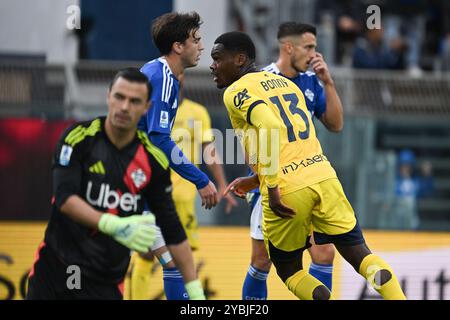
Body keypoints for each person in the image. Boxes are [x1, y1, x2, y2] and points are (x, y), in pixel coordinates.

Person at [211, 31, 406, 300]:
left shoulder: (235, 91)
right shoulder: (287, 85)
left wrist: (272, 189)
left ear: (240, 59)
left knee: (289, 271)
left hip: (286, 187)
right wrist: (255, 180)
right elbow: (295, 144)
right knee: (360, 255)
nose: (212, 65)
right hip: (323, 176)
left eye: (217, 59)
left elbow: (270, 126)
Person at [26, 68, 204, 300]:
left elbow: (171, 228)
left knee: (168, 260)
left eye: (134, 101)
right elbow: (64, 198)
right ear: (108, 96)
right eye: (119, 97)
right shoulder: (78, 138)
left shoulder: (153, 160)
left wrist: (195, 290)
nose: (124, 107)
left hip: (105, 282)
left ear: (147, 107)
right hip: (56, 273)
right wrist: (113, 224)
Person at [241, 22, 344, 300]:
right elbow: (246, 135)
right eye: (308, 47)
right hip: (273, 183)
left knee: (324, 252)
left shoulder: (311, 81)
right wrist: (261, 175)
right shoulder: (258, 80)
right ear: (289, 47)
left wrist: (328, 82)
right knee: (262, 261)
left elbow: (335, 124)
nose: (314, 53)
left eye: (315, 47)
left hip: (306, 180)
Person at [126, 74, 237, 300]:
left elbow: (209, 150)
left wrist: (222, 183)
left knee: (180, 258)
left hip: (184, 196)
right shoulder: (150, 111)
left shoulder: (197, 112)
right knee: (145, 253)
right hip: (153, 194)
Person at [132, 11, 217, 300]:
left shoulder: (159, 72)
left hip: (140, 179)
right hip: (133, 182)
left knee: (172, 262)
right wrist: (201, 179)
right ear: (178, 46)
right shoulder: (164, 78)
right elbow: (159, 139)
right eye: (196, 40)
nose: (201, 47)